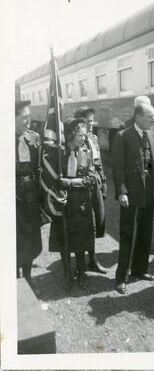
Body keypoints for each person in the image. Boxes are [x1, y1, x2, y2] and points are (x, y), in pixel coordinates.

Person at [112, 103, 154, 294]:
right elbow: (117, 167)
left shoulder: (151, 133)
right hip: (131, 195)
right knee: (128, 236)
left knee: (145, 233)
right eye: (151, 116)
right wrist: (121, 191)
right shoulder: (123, 136)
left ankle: (139, 270)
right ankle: (121, 277)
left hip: (149, 194)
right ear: (139, 117)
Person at [49, 117, 97, 287]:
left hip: (81, 204)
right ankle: (68, 273)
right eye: (81, 135)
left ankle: (82, 273)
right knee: (64, 238)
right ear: (70, 134)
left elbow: (92, 178)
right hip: (63, 204)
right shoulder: (58, 154)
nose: (84, 139)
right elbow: (51, 178)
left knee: (81, 239)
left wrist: (70, 182)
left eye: (85, 135)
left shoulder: (85, 152)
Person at [74, 106, 107, 274]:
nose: (92, 123)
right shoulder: (78, 141)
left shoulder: (93, 137)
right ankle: (84, 263)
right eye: (88, 120)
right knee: (85, 223)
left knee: (97, 221)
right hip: (83, 185)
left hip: (96, 183)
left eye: (93, 119)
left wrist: (104, 181)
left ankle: (93, 259)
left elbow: (98, 161)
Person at [15, 99, 42, 286]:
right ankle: (14, 279)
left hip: (30, 196)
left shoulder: (33, 138)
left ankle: (28, 278)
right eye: (24, 117)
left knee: (30, 236)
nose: (28, 121)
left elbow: (39, 167)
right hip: (10, 196)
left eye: (29, 116)